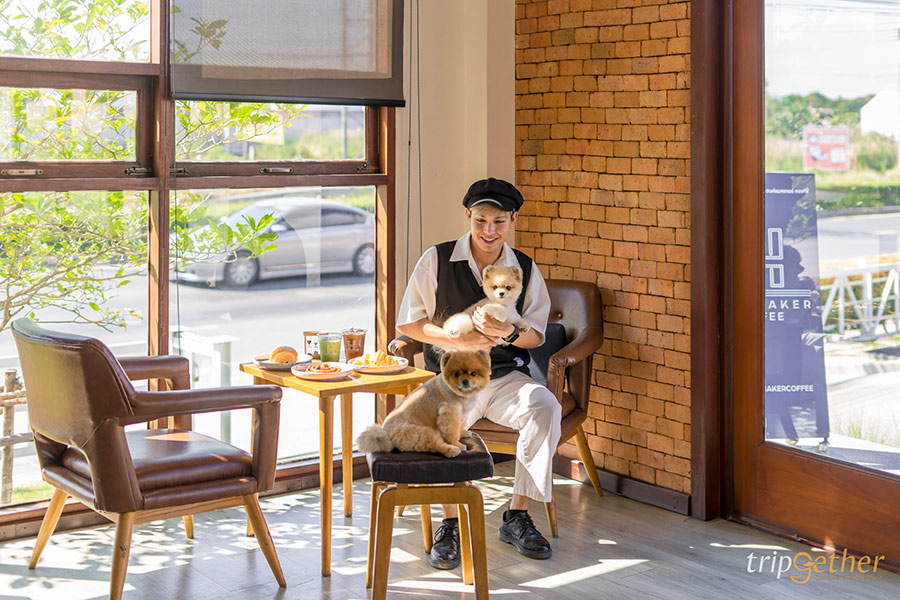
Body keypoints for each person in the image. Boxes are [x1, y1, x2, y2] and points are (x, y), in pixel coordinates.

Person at [396, 177, 559, 568]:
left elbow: (536, 335)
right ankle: (450, 522)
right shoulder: (436, 259)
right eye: (481, 220)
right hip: (453, 380)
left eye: (499, 222)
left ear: (512, 219)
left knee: (545, 406)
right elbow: (410, 324)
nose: (489, 231)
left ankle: (517, 514)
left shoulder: (524, 267)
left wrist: (512, 331)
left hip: (505, 378)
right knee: (441, 425)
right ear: (468, 215)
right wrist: (457, 342)